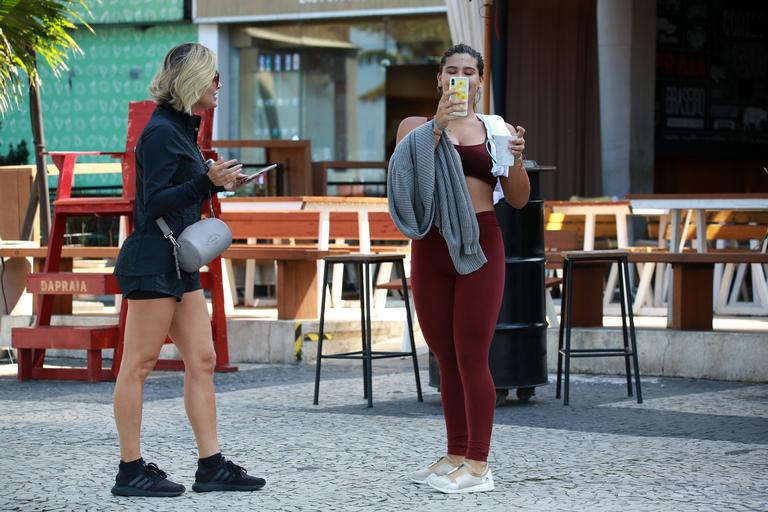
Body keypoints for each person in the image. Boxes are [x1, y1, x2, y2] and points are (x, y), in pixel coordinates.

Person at [111, 43, 264, 497]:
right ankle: (130, 470)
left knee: (202, 359)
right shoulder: (160, 132)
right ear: (192, 81)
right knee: (137, 365)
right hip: (152, 261)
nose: (219, 84)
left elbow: (184, 189)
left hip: (179, 259)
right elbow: (151, 202)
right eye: (213, 76)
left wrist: (217, 180)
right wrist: (205, 181)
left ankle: (211, 465)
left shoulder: (180, 130)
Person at [387, 43, 529, 494]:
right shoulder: (416, 127)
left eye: (469, 71)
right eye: (452, 70)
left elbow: (520, 198)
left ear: (481, 81)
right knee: (444, 355)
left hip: (481, 239)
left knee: (471, 354)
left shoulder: (495, 130)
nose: (460, 77)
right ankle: (456, 452)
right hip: (432, 243)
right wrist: (440, 124)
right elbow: (406, 174)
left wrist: (519, 159)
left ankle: (480, 465)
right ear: (439, 78)